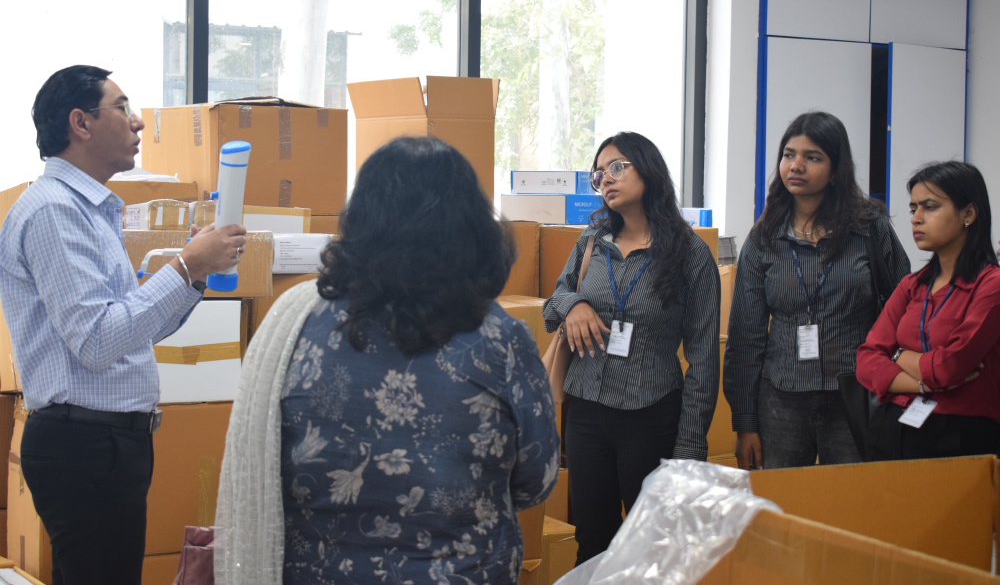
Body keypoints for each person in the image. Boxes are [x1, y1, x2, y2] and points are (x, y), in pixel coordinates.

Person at [214, 137, 559, 585]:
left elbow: (263, 467)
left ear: (360, 222)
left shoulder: (296, 324)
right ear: (471, 228)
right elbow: (536, 480)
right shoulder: (499, 338)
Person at [0, 65, 246, 585]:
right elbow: (98, 341)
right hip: (83, 444)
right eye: (122, 107)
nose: (137, 122)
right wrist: (185, 266)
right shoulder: (55, 211)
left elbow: (132, 332)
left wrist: (195, 274)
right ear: (80, 123)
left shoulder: (90, 210)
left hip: (105, 443)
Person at [541, 131, 720, 566]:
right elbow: (552, 304)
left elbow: (703, 359)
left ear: (649, 169)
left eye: (617, 167)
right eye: (599, 173)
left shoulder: (691, 254)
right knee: (592, 541)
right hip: (586, 413)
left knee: (651, 548)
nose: (606, 178)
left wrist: (690, 449)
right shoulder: (592, 241)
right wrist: (574, 304)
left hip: (651, 416)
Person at [724, 111, 909, 471]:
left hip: (856, 393)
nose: (796, 166)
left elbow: (906, 307)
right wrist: (744, 422)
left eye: (812, 157)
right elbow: (745, 337)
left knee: (852, 499)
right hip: (780, 400)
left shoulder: (870, 228)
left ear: (836, 169)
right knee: (780, 501)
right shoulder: (763, 238)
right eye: (789, 155)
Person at [857, 161, 1000, 460]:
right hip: (893, 425)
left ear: (968, 214)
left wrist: (897, 355)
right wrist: (920, 382)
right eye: (914, 209)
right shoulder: (912, 285)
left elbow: (950, 367)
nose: (916, 218)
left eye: (930, 207)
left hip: (960, 433)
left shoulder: (991, 284)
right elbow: (867, 360)